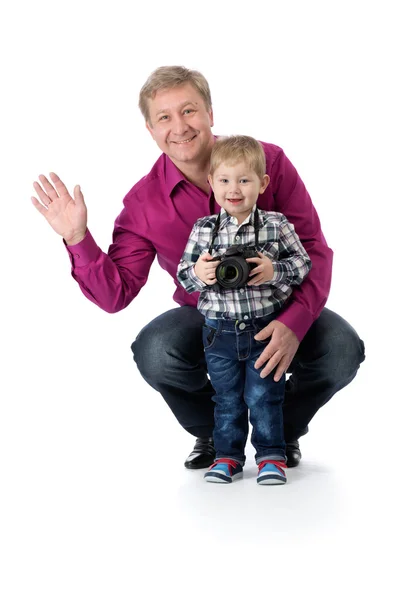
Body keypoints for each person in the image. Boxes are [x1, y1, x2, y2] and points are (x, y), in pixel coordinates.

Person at [31, 65, 365, 470]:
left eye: (189, 111)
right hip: (208, 320)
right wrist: (77, 238)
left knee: (342, 349)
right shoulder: (143, 202)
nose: (180, 127)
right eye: (164, 118)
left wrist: (294, 323)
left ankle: (277, 433)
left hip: (278, 306)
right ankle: (216, 435)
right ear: (151, 130)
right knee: (155, 350)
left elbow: (314, 250)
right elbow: (115, 295)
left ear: (210, 113)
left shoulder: (268, 161)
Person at [177, 135, 312, 484]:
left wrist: (273, 270)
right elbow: (183, 276)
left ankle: (270, 457)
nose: (233, 189)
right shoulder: (203, 230)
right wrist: (200, 273)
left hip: (263, 329)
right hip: (218, 332)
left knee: (265, 395)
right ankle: (228, 457)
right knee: (227, 399)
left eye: (244, 180)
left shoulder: (276, 225)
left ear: (262, 183)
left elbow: (302, 263)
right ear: (211, 183)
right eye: (223, 180)